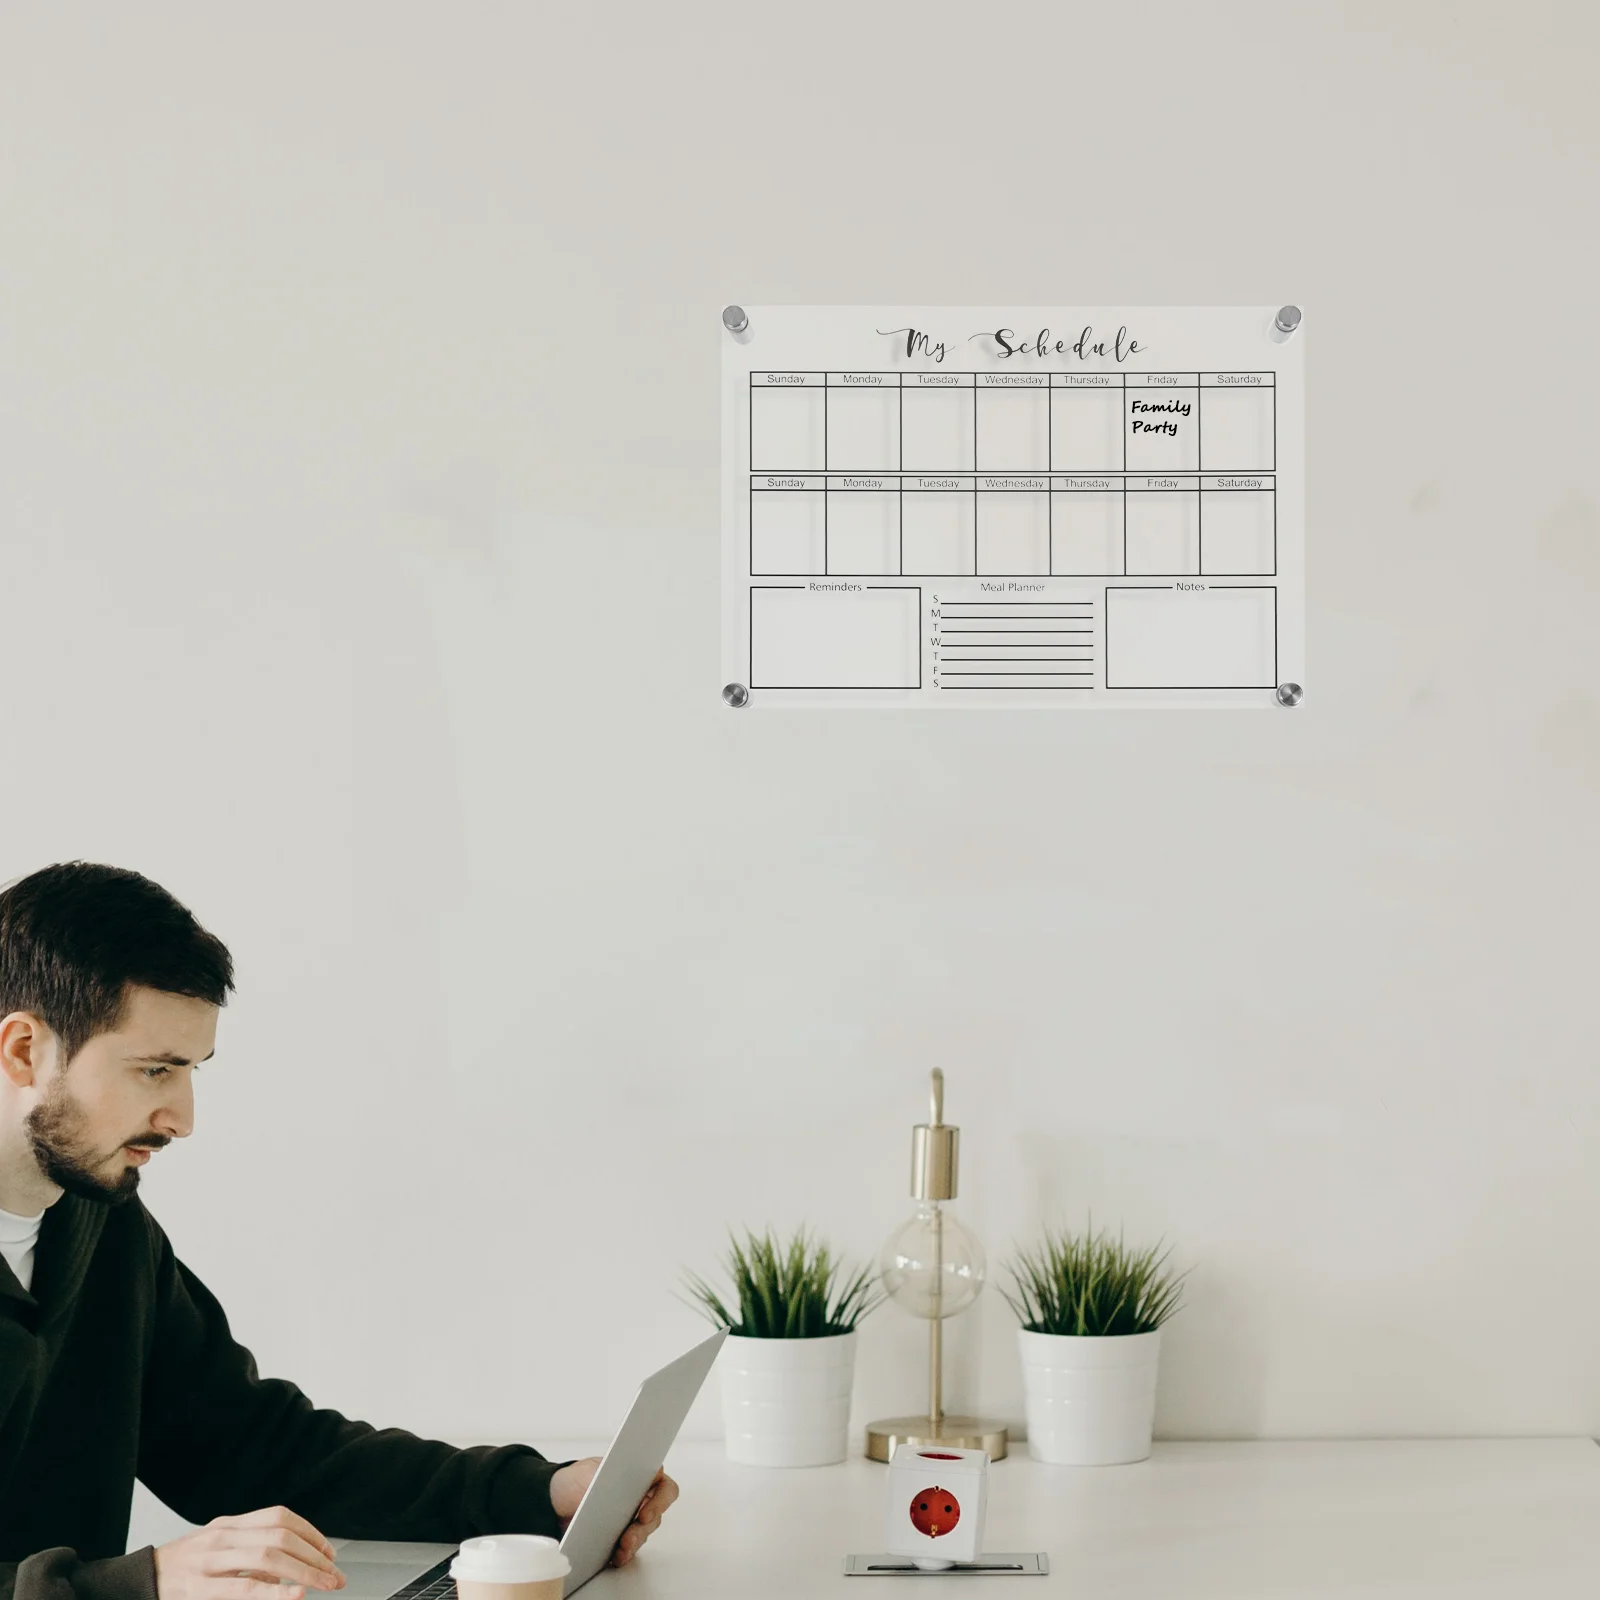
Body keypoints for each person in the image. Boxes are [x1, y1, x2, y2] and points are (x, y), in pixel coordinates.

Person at [0, 863, 678, 1600]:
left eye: (192, 1069)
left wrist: (539, 1494)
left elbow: (260, 1451)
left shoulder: (104, 1228)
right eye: (154, 1070)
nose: (184, 1119)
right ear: (24, 1050)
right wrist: (141, 1583)